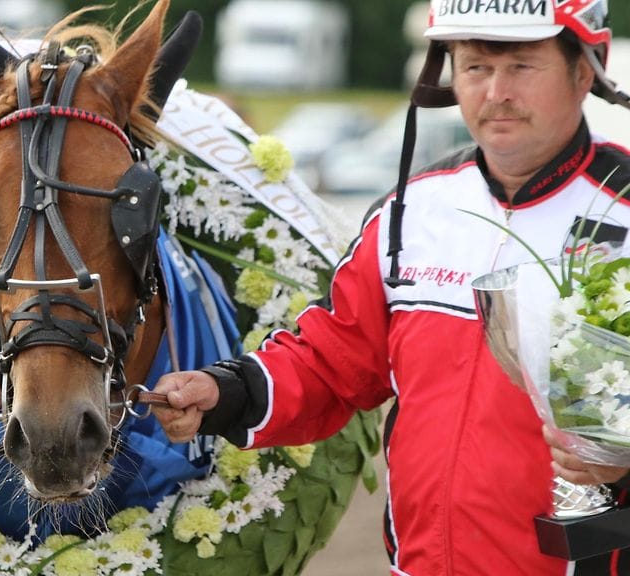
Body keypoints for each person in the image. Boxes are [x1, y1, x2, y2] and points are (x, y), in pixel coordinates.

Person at [154, 1, 630, 575]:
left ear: (584, 72)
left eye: (522, 66)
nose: (495, 92)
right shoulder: (411, 209)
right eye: (475, 67)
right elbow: (332, 362)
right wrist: (225, 390)